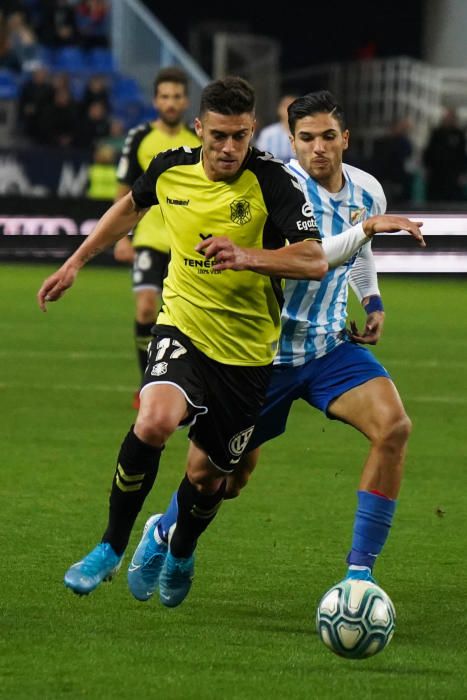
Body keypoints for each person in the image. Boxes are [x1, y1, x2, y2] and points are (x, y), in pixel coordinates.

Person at [37, 76, 330, 603]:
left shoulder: (274, 182)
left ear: (251, 132)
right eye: (218, 135)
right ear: (199, 128)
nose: (228, 148)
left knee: (208, 477)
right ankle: (109, 546)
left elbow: (313, 258)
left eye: (240, 136)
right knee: (153, 421)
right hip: (183, 326)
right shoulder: (171, 166)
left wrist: (248, 256)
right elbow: (130, 207)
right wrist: (77, 262)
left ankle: (181, 549)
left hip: (245, 353)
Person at [143, 90, 426, 606]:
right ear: (291, 143)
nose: (318, 148)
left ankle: (359, 576)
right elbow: (315, 256)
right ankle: (164, 530)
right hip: (260, 356)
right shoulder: (272, 188)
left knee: (395, 427)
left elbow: (359, 252)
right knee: (220, 479)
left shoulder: (368, 191)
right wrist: (364, 230)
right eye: (306, 138)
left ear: (345, 139)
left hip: (326, 349)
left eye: (327, 137)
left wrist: (372, 297)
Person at [113, 67, 200, 408]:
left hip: (188, 241)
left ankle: (188, 384)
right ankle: (146, 381)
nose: (171, 102)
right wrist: (122, 237)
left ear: (185, 101)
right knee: (147, 308)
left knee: (189, 317)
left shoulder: (198, 141)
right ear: (155, 100)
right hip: (149, 235)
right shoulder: (139, 137)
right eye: (165, 96)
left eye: (177, 96)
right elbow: (124, 191)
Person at [423, 108, 467, 202]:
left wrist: (462, 172)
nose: (448, 119)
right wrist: (427, 168)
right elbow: (429, 152)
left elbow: (462, 155)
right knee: (435, 197)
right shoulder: (436, 133)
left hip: (453, 173)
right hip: (437, 172)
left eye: (450, 117)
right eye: (446, 117)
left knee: (452, 198)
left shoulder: (458, 134)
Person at [255, 94, 296, 162]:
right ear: (279, 110)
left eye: (293, 106)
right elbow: (260, 159)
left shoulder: (303, 133)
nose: (289, 109)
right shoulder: (268, 133)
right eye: (286, 106)